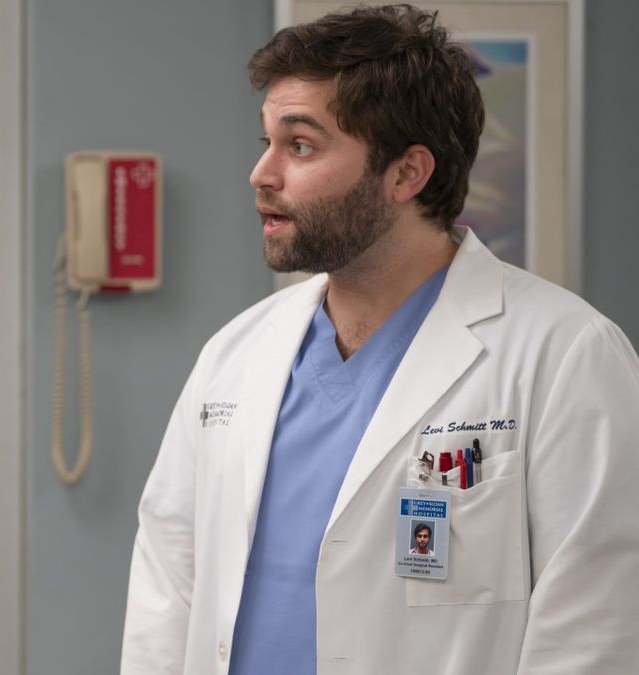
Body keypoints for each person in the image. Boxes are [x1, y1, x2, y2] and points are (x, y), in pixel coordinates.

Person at [121, 5, 639, 674]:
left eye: (300, 145)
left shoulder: (566, 355)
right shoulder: (235, 355)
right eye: (266, 143)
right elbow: (167, 586)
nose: (263, 175)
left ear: (406, 174)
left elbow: (595, 628)